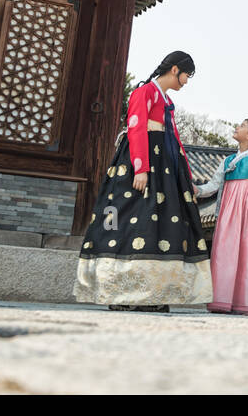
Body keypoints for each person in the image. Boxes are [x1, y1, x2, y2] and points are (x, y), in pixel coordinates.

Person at [73, 51, 212, 312]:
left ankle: (149, 295)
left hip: (165, 167)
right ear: (174, 69)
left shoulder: (166, 100)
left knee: (157, 226)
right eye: (186, 75)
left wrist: (187, 178)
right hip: (142, 164)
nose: (186, 81)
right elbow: (136, 128)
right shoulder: (144, 92)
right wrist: (140, 169)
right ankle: (121, 293)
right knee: (128, 221)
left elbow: (176, 140)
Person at [194, 117, 248, 314]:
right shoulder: (227, 161)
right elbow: (213, 185)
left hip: (247, 210)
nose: (236, 127)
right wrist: (197, 190)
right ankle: (222, 300)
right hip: (229, 212)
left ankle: (244, 301)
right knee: (224, 252)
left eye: (242, 126)